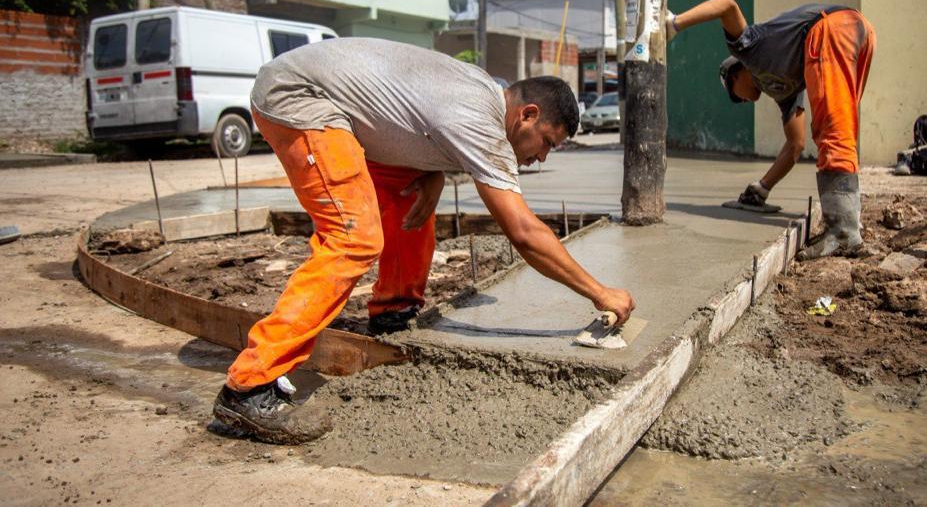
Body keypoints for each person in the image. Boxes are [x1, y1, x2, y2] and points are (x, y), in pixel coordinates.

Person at [212, 37, 636, 444]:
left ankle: (393, 311)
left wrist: (433, 171)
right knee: (354, 238)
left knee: (410, 193)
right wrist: (599, 293)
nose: (541, 157)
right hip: (299, 98)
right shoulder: (481, 122)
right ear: (527, 114)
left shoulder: (483, 94)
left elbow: (417, 115)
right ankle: (249, 386)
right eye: (547, 143)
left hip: (337, 103)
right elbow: (523, 232)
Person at [666, 0, 875, 260]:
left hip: (831, 30)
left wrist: (675, 24)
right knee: (842, 127)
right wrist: (762, 188)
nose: (741, 101)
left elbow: (727, 5)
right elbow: (795, 144)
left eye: (734, 94)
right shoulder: (783, 91)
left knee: (833, 130)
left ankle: (843, 234)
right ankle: (848, 223)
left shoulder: (749, 50)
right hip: (858, 30)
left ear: (736, 73)